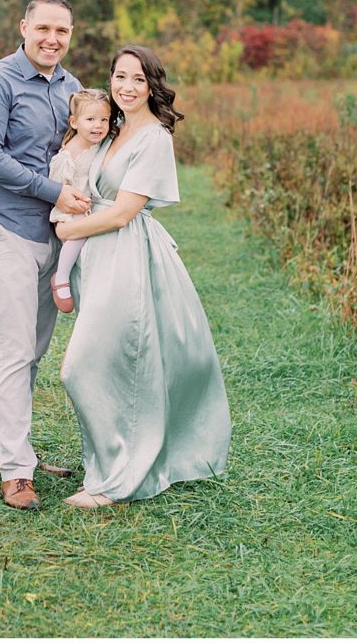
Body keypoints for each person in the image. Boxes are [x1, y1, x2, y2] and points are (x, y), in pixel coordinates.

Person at [57, 45, 231, 508]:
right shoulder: (111, 128)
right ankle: (105, 458)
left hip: (127, 256)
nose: (126, 87)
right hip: (96, 259)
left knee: (87, 365)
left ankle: (118, 480)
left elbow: (122, 213)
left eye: (137, 79)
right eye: (119, 76)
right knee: (111, 361)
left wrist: (68, 228)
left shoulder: (153, 137)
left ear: (152, 85)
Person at [0, 0, 90, 511]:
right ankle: (16, 471)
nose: (51, 38)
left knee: (32, 350)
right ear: (23, 27)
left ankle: (8, 449)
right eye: (42, 28)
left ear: (71, 33)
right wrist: (55, 192)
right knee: (13, 348)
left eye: (61, 30)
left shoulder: (74, 88)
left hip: (49, 238)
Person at [48, 89, 112, 313]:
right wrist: (73, 204)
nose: (98, 125)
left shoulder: (99, 144)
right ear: (74, 122)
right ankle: (61, 277)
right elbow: (58, 188)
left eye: (104, 119)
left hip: (91, 207)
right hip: (71, 209)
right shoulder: (69, 155)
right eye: (91, 120)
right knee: (78, 234)